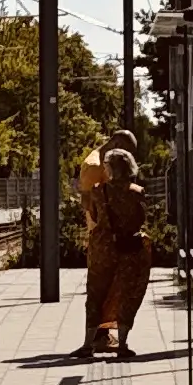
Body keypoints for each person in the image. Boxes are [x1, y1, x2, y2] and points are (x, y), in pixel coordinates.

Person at [84, 145, 152, 357]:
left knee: (96, 293)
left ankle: (88, 344)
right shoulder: (137, 193)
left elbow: (94, 217)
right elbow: (141, 219)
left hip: (102, 249)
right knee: (127, 294)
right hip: (129, 250)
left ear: (110, 168)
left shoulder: (97, 191)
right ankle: (122, 344)